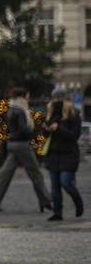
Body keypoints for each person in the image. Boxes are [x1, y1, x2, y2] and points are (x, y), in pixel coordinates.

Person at [0, 86, 52, 213]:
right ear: (23, 97)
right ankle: (46, 201)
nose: (29, 98)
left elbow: (9, 129)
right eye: (27, 96)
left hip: (12, 144)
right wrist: (32, 133)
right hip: (22, 145)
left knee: (5, 174)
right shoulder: (21, 110)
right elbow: (23, 129)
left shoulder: (11, 108)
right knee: (35, 173)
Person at [42, 86, 84, 221]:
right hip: (53, 154)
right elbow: (46, 135)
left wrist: (58, 128)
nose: (56, 100)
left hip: (69, 154)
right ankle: (57, 213)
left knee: (66, 183)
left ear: (64, 98)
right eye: (54, 98)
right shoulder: (51, 113)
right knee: (55, 187)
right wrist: (47, 129)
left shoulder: (73, 113)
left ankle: (78, 202)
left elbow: (74, 135)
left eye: (58, 97)